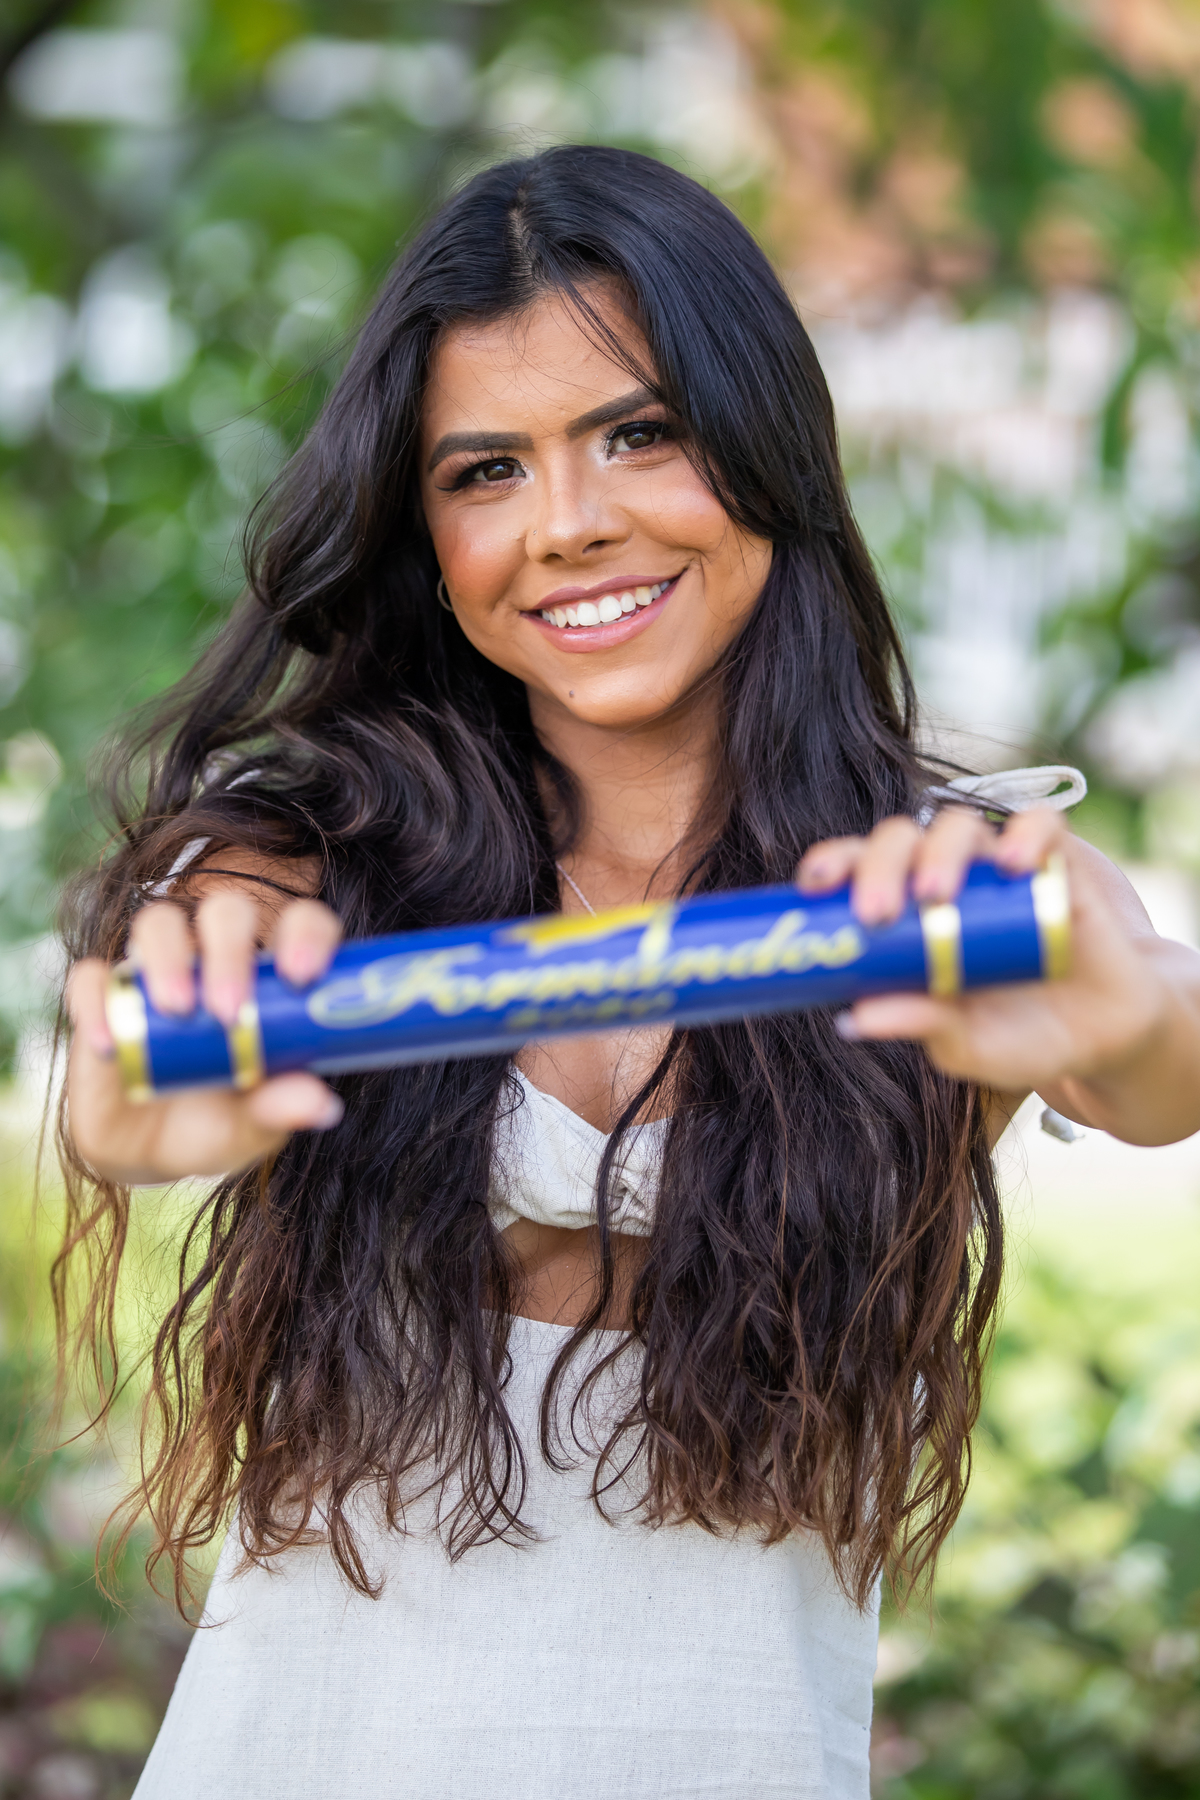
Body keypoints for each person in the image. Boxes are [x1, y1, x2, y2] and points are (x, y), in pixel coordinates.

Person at [61, 146, 1200, 1800]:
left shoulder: (933, 879)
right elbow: (140, 1036)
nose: (571, 525)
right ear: (423, 527)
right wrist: (146, 1083)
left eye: (638, 433)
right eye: (484, 472)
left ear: (762, 443)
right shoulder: (315, 859)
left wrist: (1130, 1019)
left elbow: (1156, 1032)